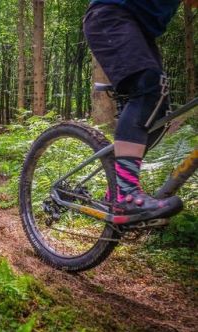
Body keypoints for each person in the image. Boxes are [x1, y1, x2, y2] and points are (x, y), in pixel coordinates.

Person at [83, 0, 195, 224]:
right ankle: (125, 193)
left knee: (159, 113)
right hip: (111, 15)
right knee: (148, 87)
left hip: (139, 30)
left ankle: (116, 187)